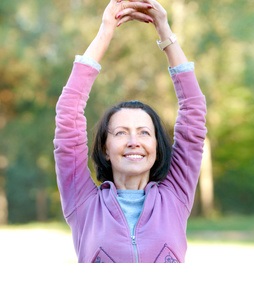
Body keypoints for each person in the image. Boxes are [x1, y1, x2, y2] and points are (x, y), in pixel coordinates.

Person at [53, 0, 206, 263]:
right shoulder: (83, 203)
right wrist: (105, 30)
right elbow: (68, 114)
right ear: (105, 148)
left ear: (157, 148)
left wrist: (165, 32)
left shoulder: (175, 196)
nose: (134, 141)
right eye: (121, 133)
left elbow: (193, 111)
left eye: (144, 133)